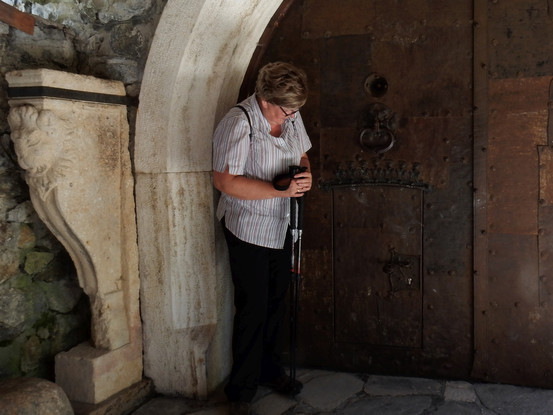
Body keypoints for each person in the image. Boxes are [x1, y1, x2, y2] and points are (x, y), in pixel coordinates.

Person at [212, 61, 312, 415]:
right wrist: (278, 190)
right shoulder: (239, 123)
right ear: (265, 99)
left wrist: (304, 177)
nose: (291, 117)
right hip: (248, 226)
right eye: (287, 110)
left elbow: (300, 154)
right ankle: (241, 389)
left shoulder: (290, 115)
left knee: (276, 301)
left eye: (295, 110)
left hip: (281, 223)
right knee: (253, 306)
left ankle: (271, 370)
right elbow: (225, 181)